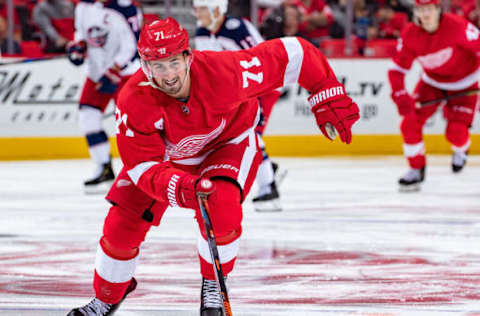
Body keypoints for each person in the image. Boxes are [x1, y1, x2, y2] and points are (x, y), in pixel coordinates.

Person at [66, 17, 360, 316]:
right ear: (145, 66)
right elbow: (141, 167)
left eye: (173, 63)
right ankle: (107, 296)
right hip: (167, 162)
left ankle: (213, 286)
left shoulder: (226, 72)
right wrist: (180, 188)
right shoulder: (133, 100)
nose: (168, 75)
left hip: (227, 144)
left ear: (187, 57)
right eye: (158, 66)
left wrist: (325, 91)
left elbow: (295, 53)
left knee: (222, 206)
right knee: (121, 223)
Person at [193, 0, 285, 212]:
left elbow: (264, 60)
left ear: (217, 10)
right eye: (196, 9)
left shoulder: (238, 29)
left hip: (263, 86)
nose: (197, 13)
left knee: (251, 133)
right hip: (237, 91)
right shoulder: (202, 31)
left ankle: (269, 187)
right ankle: (269, 171)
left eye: (202, 9)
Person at [388, 0, 480, 191]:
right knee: (409, 122)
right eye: (421, 9)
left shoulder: (458, 27)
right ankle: (416, 169)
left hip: (465, 83)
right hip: (432, 83)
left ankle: (461, 150)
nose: (426, 14)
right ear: (416, 12)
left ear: (438, 10)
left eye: (429, 9)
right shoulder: (410, 34)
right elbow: (397, 70)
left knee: (455, 133)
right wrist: (400, 94)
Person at [66, 0, 140, 194]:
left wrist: (113, 71)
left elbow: (132, 47)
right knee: (87, 117)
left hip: (125, 74)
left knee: (130, 125)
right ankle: (103, 167)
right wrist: (78, 47)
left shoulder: (125, 8)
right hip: (97, 73)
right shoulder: (82, 7)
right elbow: (81, 34)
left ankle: (138, 172)